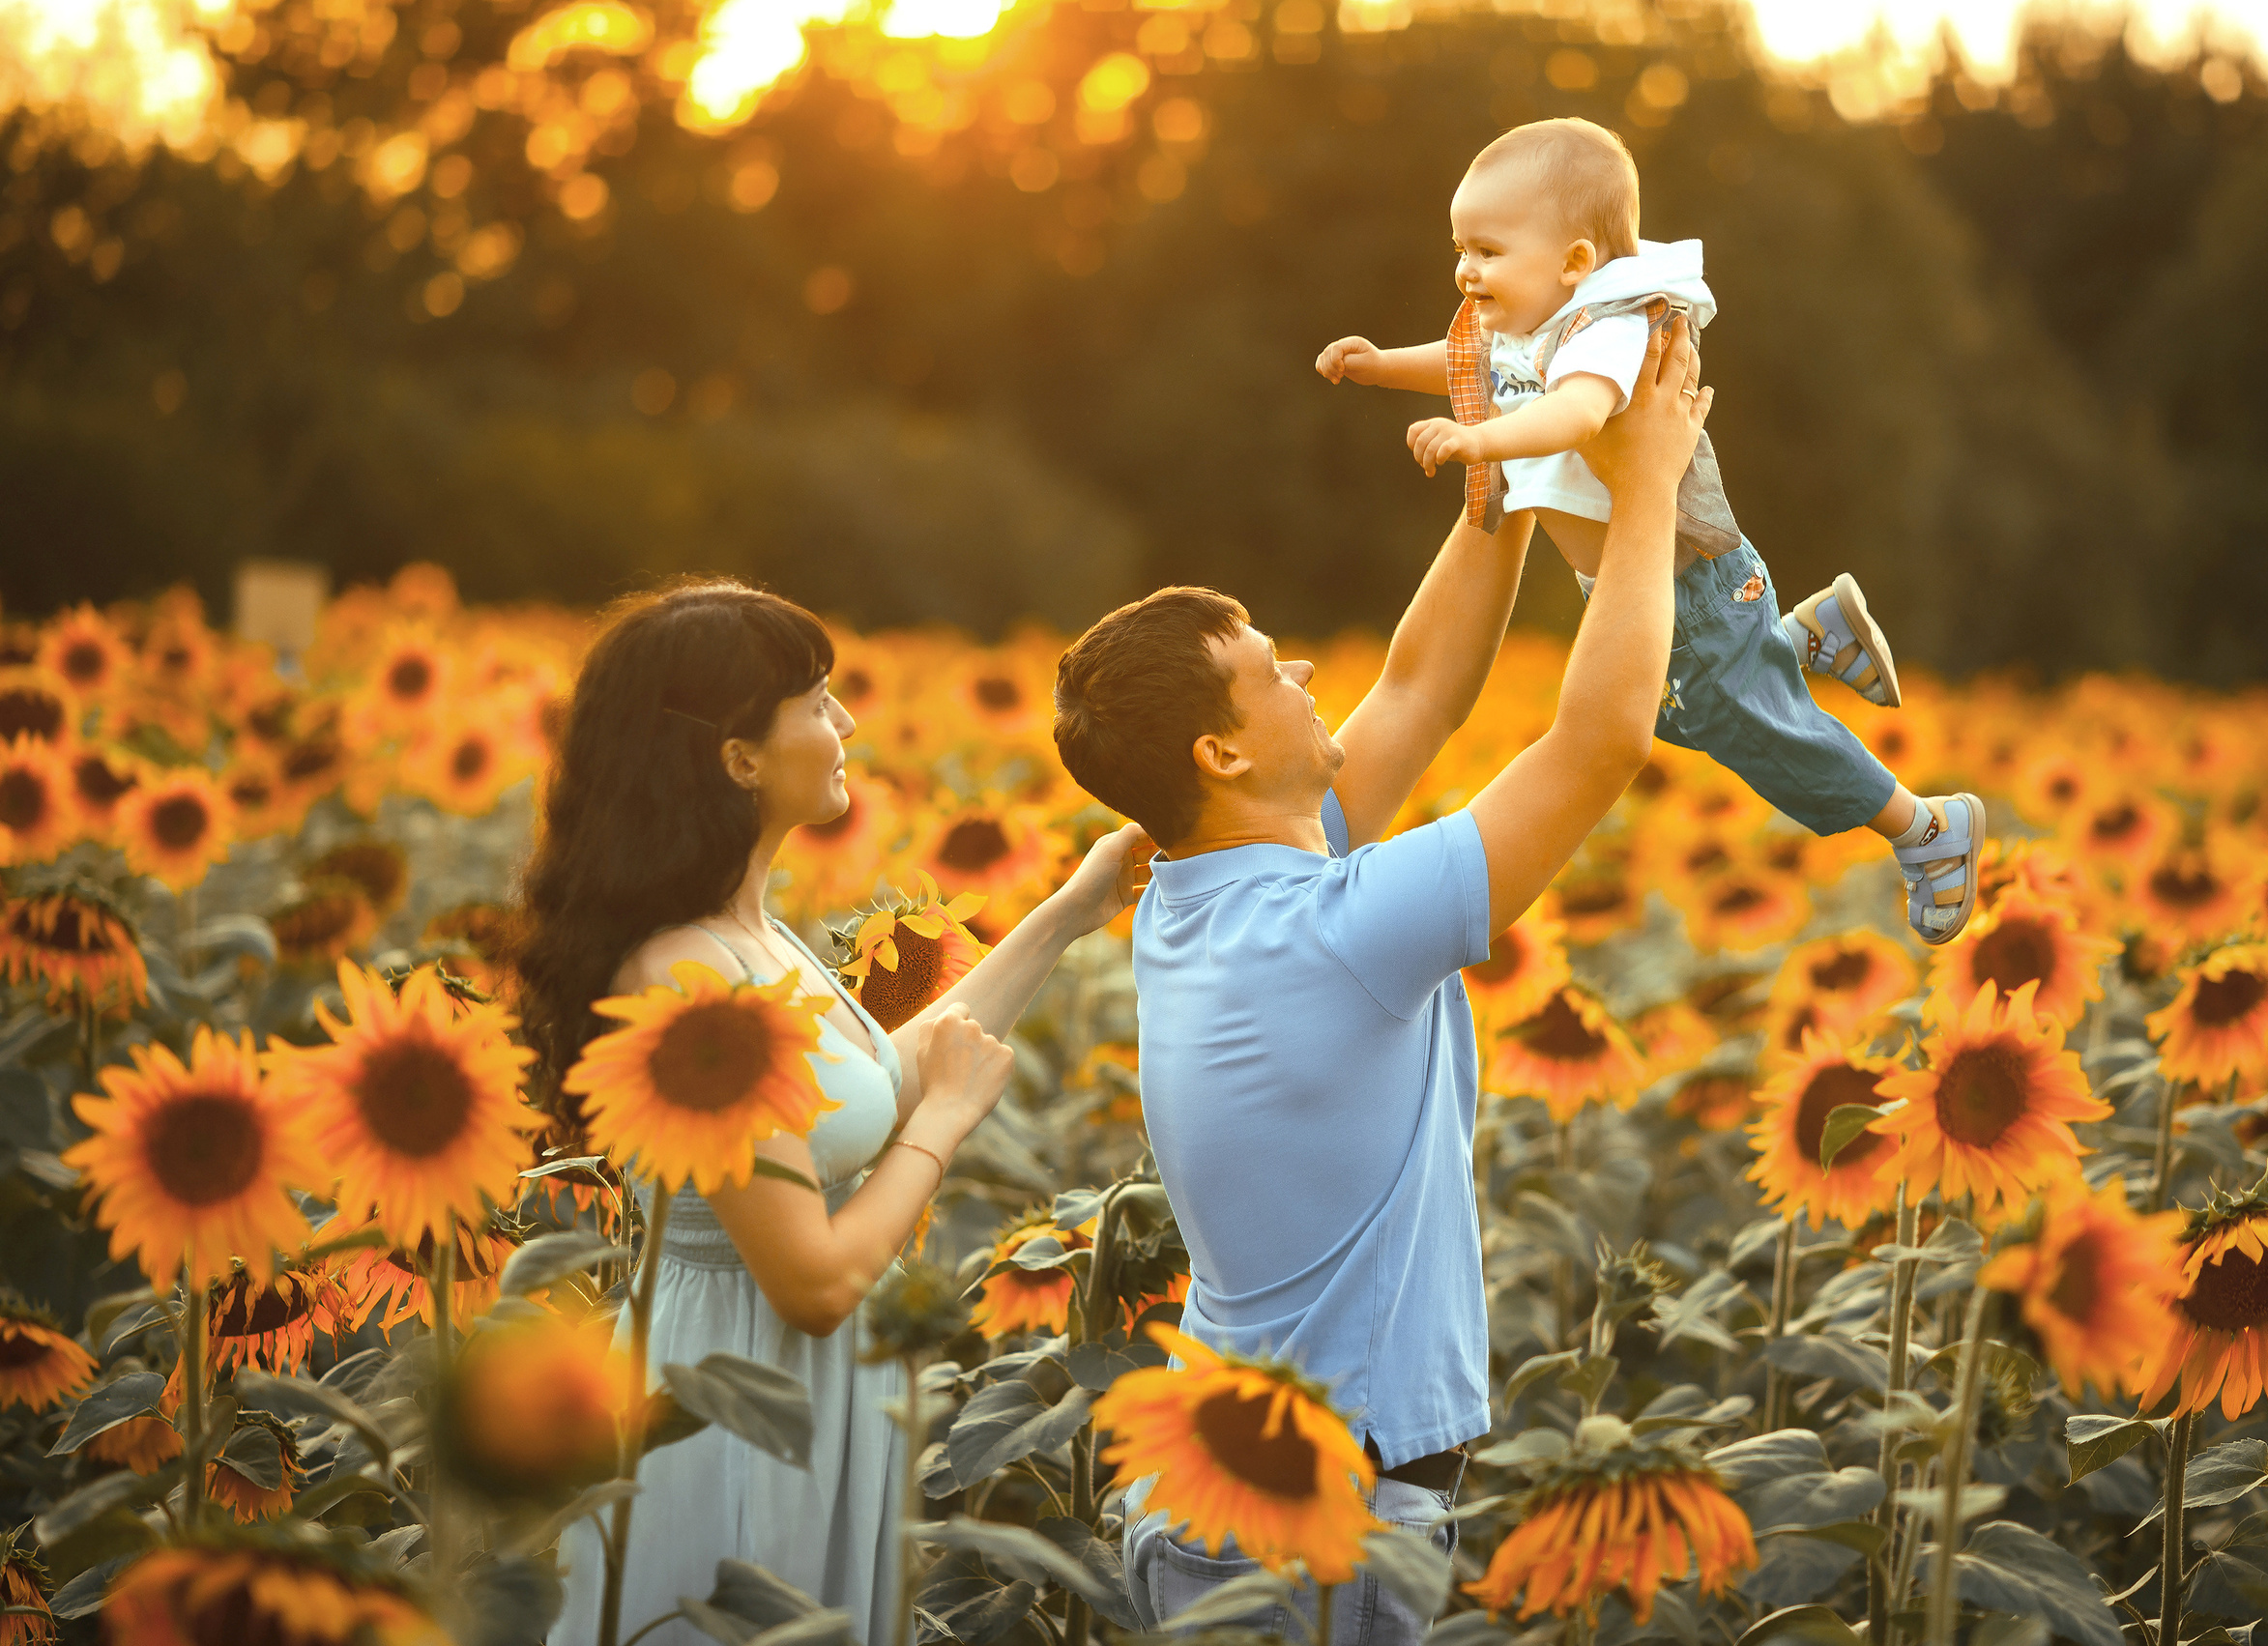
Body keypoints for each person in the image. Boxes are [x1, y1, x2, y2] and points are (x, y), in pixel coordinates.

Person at [1050, 315, 1706, 1643]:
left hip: (1252, 1499)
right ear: (1222, 756)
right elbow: (1601, 741)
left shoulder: (1206, 888)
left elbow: (1421, 685)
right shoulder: (1331, 928)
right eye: (1267, 673)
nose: (1303, 677)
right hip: (1314, 1537)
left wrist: (1502, 480)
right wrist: (1645, 486)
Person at [515, 582, 1148, 1646]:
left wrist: (1069, 912)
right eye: (815, 700)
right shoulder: (686, 983)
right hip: (729, 1408)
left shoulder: (742, 934)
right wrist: (944, 1123)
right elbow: (811, 1278)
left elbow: (874, 1087)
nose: (846, 721)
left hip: (800, 1390)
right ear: (738, 756)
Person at [1316, 116, 1984, 942]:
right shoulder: (1531, 327)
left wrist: (1479, 440)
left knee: (1761, 734)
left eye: (1487, 251)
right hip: (1647, 592)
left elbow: (1575, 412)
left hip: (1687, 589)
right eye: (1460, 248)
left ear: (1575, 262)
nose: (1464, 270)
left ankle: (1925, 826)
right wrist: (1379, 362)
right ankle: (1804, 636)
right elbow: (1474, 369)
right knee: (1670, 711)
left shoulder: (1609, 329)